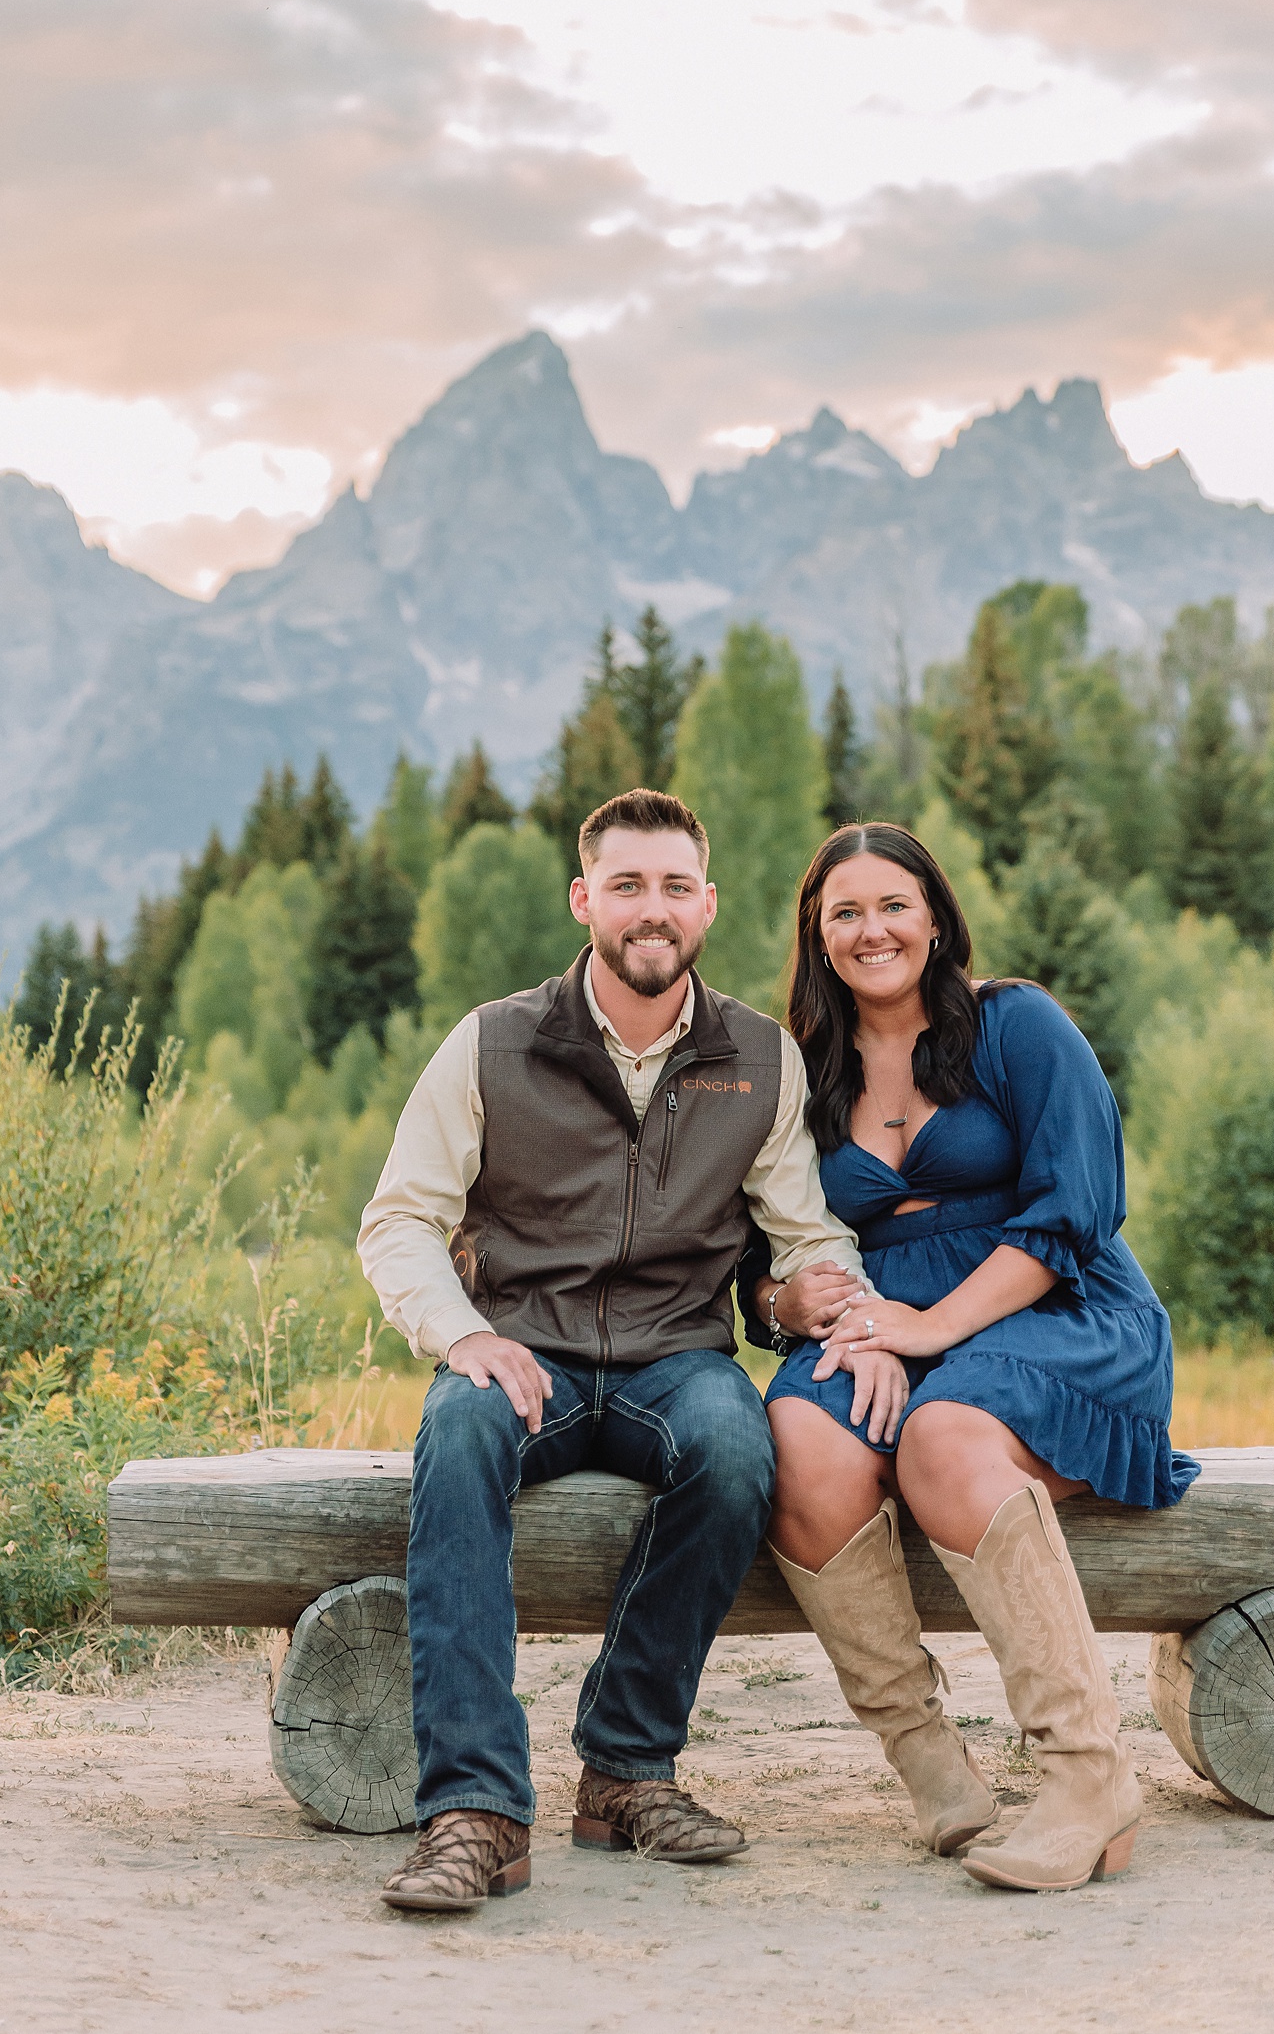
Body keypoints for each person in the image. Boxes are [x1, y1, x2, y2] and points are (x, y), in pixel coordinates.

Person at [357, 787, 902, 1912]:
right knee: (457, 1433)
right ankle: (474, 1810)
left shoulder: (759, 1057)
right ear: (584, 899)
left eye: (672, 887)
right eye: (626, 886)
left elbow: (806, 1232)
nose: (651, 909)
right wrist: (463, 1335)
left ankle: (625, 1771)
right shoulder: (493, 1041)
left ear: (707, 905)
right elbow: (400, 1219)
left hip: (676, 1359)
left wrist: (848, 1314)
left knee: (737, 1445)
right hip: (525, 1353)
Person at [747, 822, 1198, 1893]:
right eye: (845, 912)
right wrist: (791, 1305)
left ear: (937, 918)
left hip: (1056, 1304)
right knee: (798, 1440)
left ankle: (1087, 1777)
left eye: (894, 905)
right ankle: (929, 1764)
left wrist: (932, 1328)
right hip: (883, 1323)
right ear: (817, 936)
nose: (872, 930)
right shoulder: (797, 1071)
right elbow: (756, 1262)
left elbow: (1077, 1206)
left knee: (943, 1439)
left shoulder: (1015, 1023)